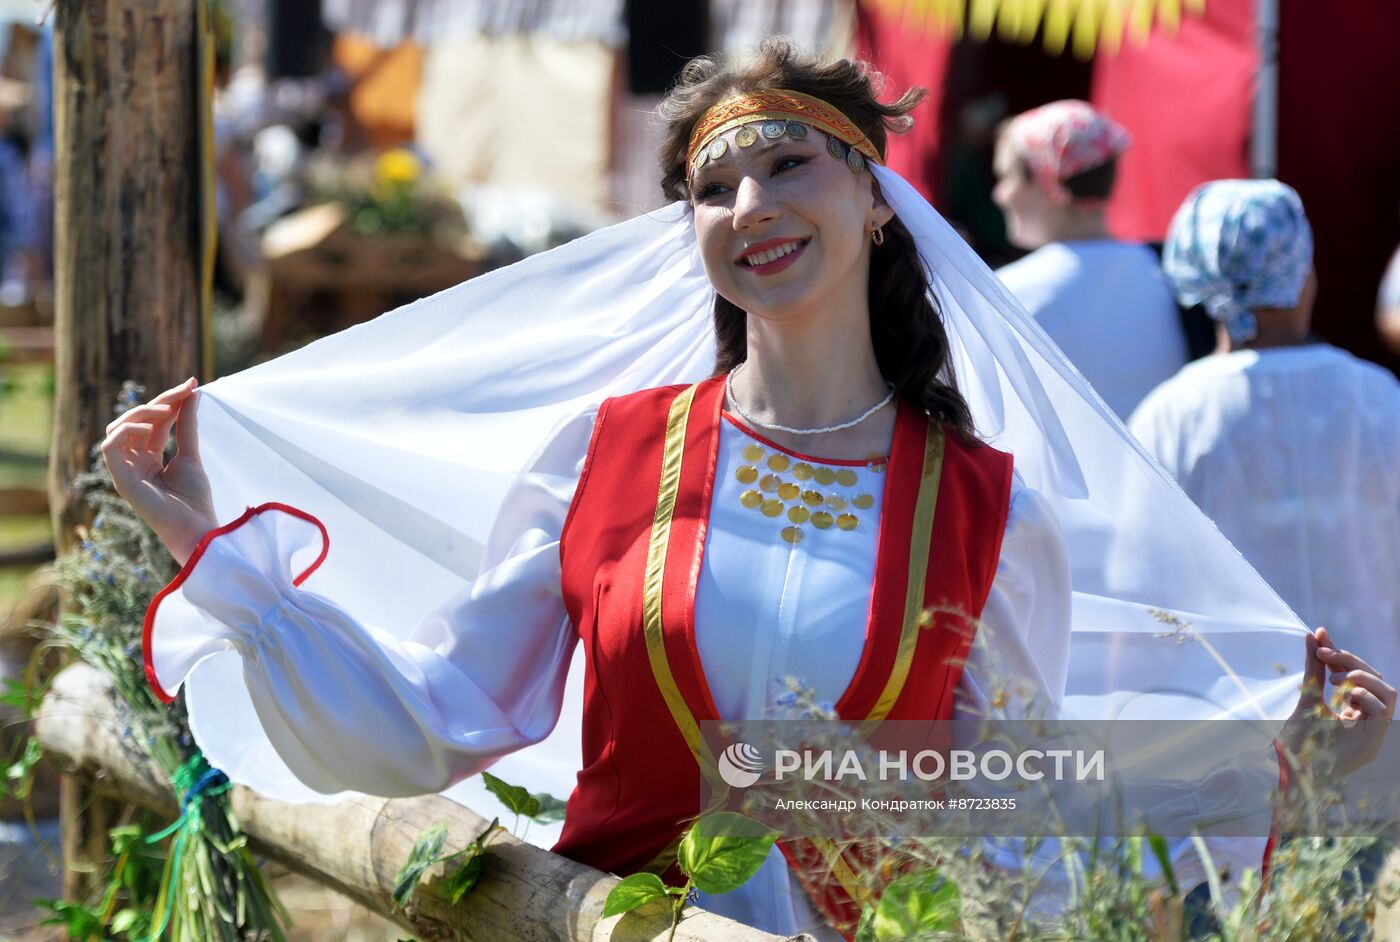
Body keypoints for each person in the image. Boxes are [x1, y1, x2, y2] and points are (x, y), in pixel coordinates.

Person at [102, 45, 1392, 939]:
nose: (748, 206)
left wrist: (1269, 760)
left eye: (788, 166)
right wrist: (203, 538)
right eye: (712, 189)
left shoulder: (981, 510)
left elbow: (1009, 793)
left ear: (875, 200)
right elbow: (439, 709)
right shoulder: (603, 459)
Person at [1131, 179, 1400, 690]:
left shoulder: (1170, 415)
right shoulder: (1377, 396)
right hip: (1377, 708)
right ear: (1303, 273)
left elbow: (1139, 588)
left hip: (1237, 729)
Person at [993, 100, 1187, 421]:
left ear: (1046, 183)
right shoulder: (1164, 274)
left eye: (1006, 176)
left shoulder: (1009, 293)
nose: (999, 194)